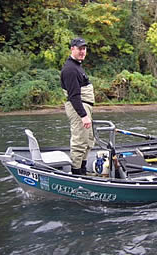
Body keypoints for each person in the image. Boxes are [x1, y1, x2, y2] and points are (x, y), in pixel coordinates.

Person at [61, 37, 95, 175]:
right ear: (72, 49)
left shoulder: (77, 66)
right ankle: (76, 173)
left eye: (84, 48)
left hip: (85, 107)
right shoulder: (70, 69)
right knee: (79, 142)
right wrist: (83, 116)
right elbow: (74, 96)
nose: (82, 51)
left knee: (89, 140)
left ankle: (83, 169)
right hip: (79, 108)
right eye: (79, 48)